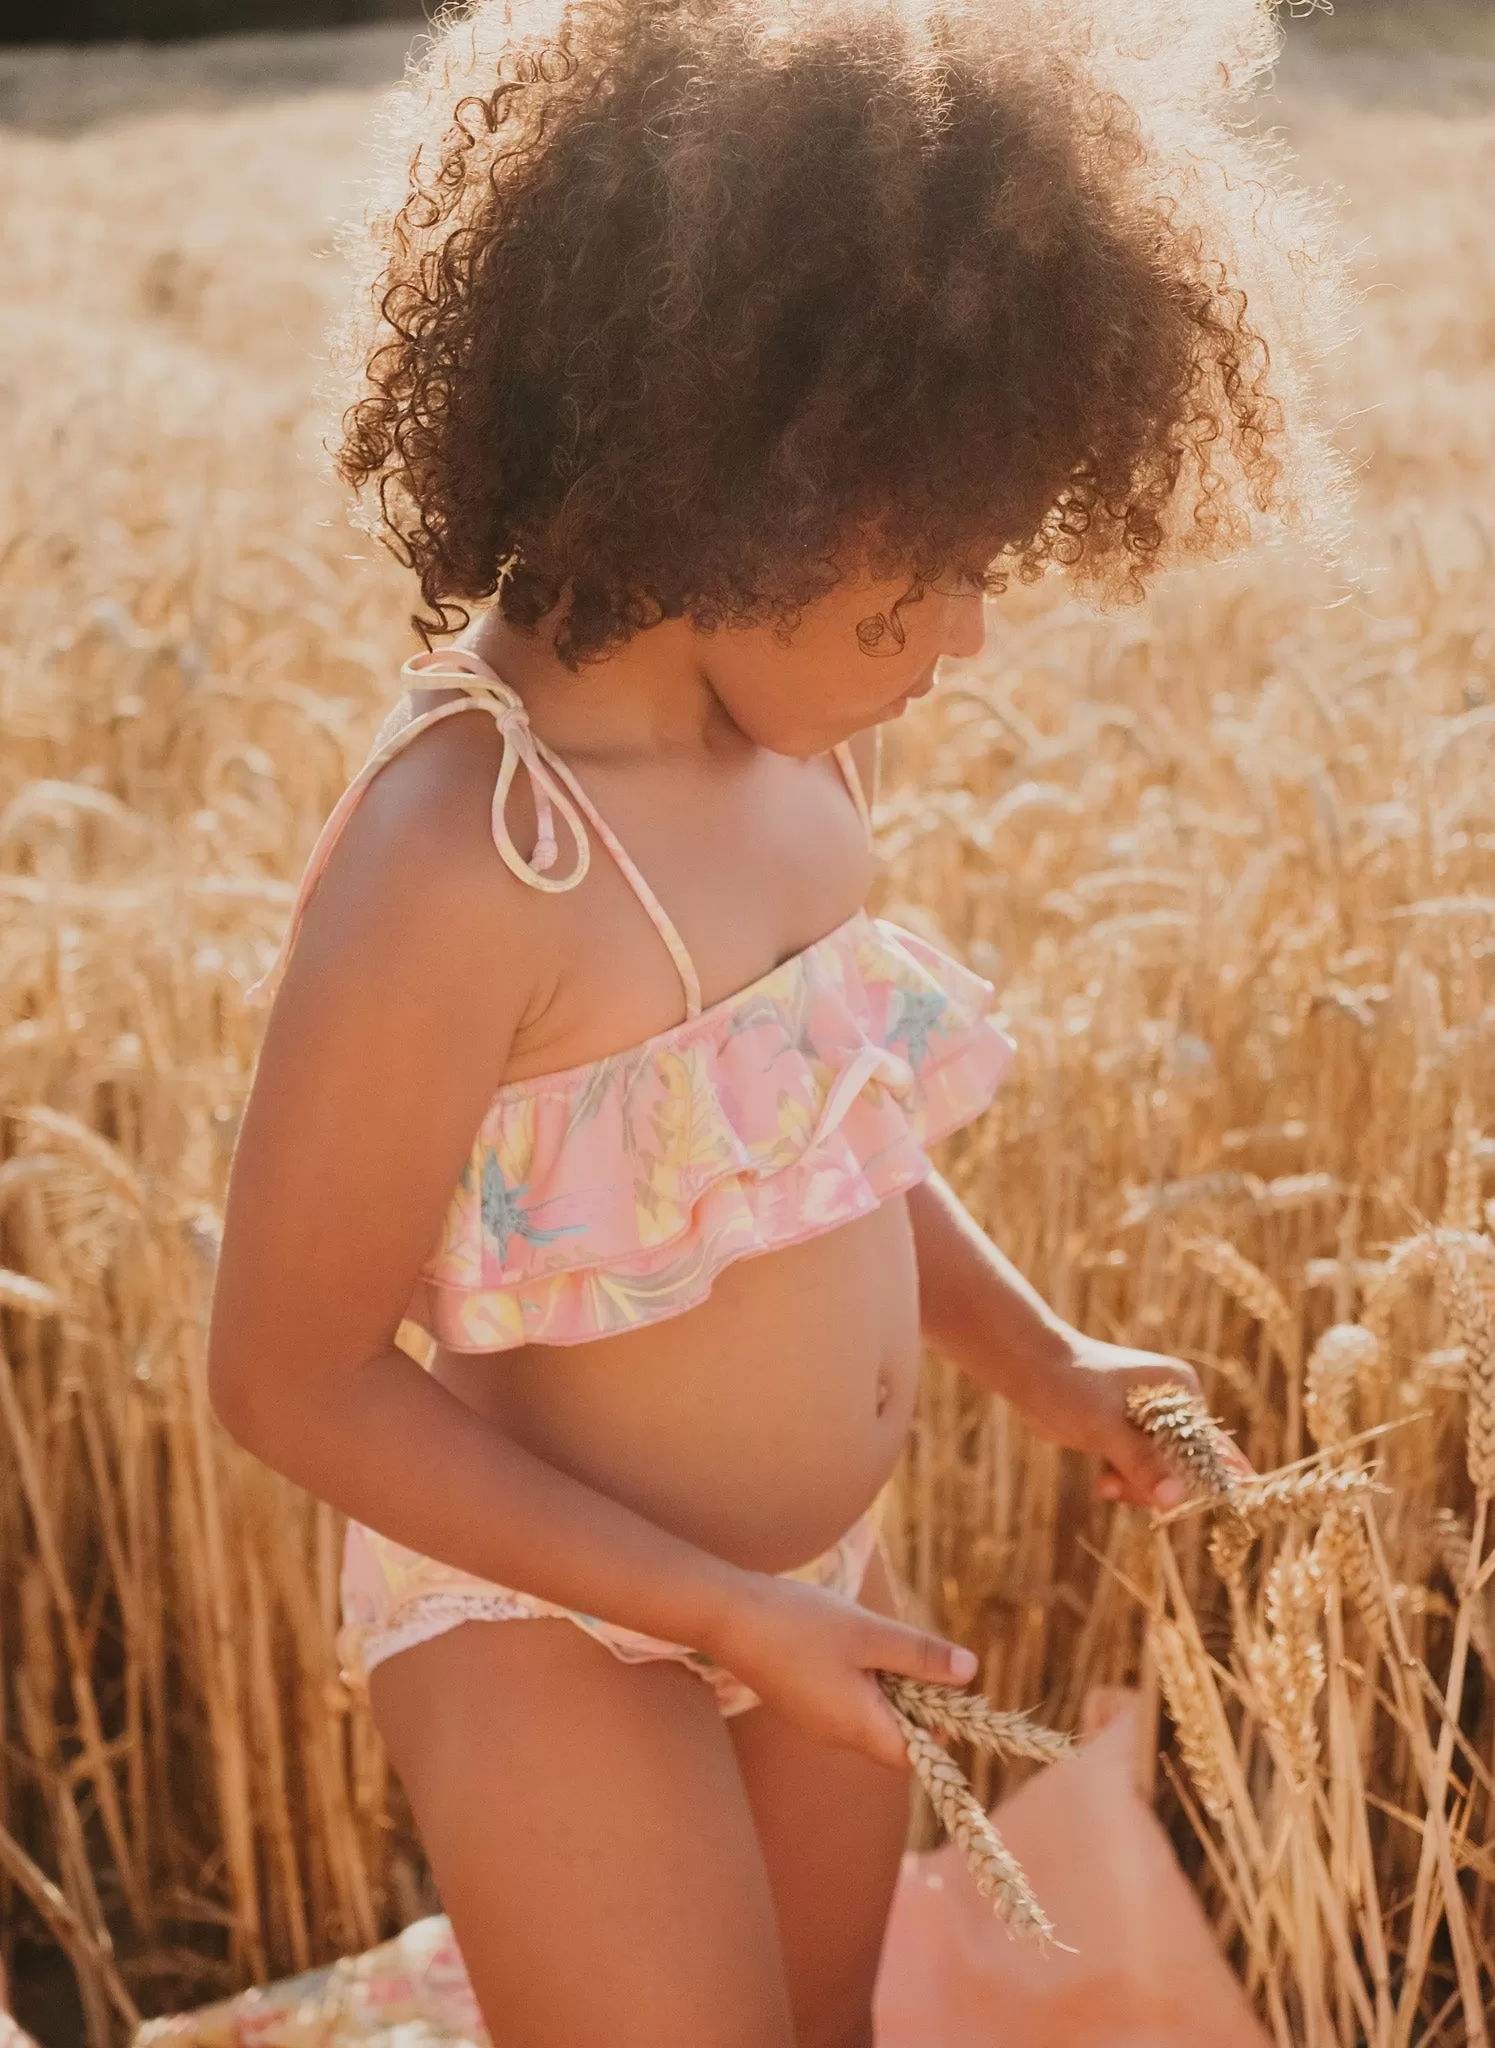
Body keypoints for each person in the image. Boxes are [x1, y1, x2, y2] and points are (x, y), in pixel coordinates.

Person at [207, 0, 1337, 2040]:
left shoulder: (804, 766)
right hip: (556, 1620)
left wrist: (1041, 1350)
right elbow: (288, 1379)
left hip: (813, 1588)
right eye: (923, 592)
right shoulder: (469, 856)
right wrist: (715, 1605)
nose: (969, 640)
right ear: (736, 486)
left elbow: (808, 1154)